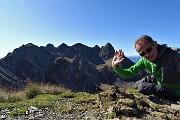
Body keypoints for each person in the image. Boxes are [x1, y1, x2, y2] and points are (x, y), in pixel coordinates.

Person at [112, 35, 180, 102]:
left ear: (155, 44)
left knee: (142, 87)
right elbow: (128, 73)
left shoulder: (174, 54)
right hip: (160, 80)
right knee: (137, 84)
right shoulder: (145, 60)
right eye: (142, 54)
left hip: (174, 90)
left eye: (149, 50)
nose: (147, 54)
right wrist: (116, 67)